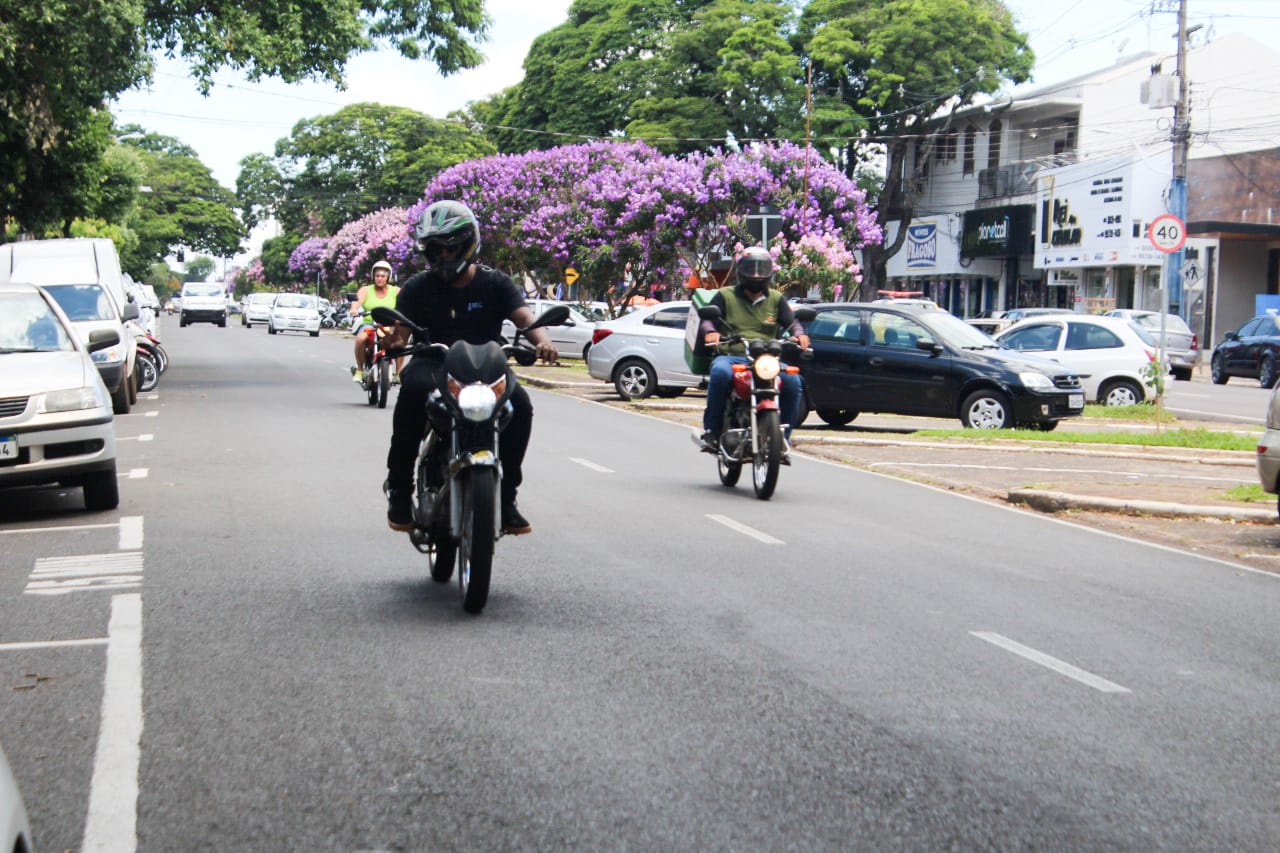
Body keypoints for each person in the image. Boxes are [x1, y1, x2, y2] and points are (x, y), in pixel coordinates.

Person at [385, 200, 557, 535]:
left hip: (488, 367)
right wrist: (392, 341)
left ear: (469, 243)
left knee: (520, 406)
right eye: (436, 250)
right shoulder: (417, 287)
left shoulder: (496, 283)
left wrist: (542, 340)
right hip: (433, 364)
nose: (444, 257)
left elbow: (525, 317)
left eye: (451, 248)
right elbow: (400, 331)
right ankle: (400, 492)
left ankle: (506, 499)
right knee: (410, 396)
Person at [698, 246, 810, 458]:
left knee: (794, 382)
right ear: (741, 271)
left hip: (767, 359)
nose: (757, 274)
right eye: (751, 268)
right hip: (732, 356)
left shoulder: (776, 298)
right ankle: (712, 431)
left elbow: (791, 322)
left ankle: (783, 438)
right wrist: (711, 332)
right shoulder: (725, 295)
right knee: (720, 374)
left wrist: (799, 334)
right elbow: (708, 319)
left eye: (762, 269)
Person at [349, 259, 402, 381]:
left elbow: (406, 303)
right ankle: (360, 370)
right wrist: (354, 309)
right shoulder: (366, 290)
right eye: (377, 275)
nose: (380, 278)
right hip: (370, 324)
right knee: (361, 339)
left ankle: (398, 374)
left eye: (383, 276)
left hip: (389, 325)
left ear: (388, 277)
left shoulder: (396, 291)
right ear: (373, 276)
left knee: (400, 343)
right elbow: (356, 303)